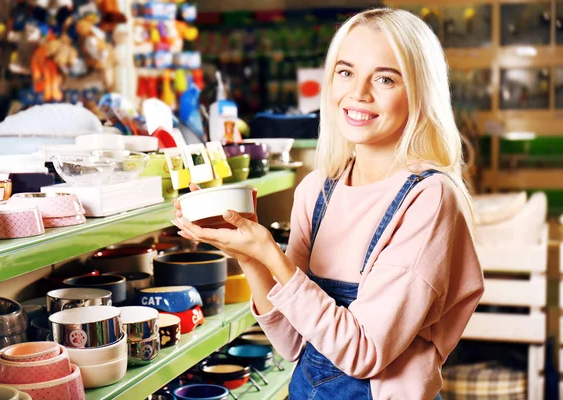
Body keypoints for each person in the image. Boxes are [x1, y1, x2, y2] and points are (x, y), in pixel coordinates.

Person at [172, 7, 484, 400]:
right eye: (346, 71)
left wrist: (271, 252)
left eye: (385, 78)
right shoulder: (316, 190)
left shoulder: (430, 199)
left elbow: (363, 353)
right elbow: (292, 343)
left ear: (420, 92)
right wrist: (249, 256)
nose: (358, 93)